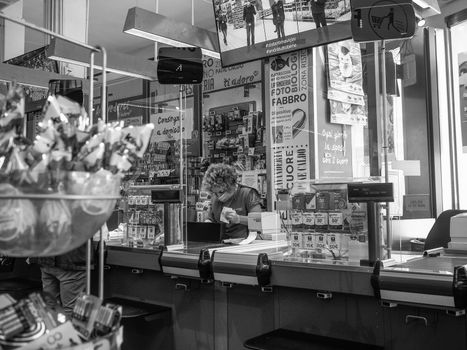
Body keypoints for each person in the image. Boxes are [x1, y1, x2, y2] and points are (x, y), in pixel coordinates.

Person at [202, 163, 262, 239]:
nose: (218, 196)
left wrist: (239, 219)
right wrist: (208, 223)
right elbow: (211, 218)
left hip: (244, 243)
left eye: (221, 192)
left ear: (231, 186)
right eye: (215, 193)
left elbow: (258, 221)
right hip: (221, 243)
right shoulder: (215, 197)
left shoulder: (248, 193)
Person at [29, 243, 88, 317]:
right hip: (71, 260)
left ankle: (56, 327)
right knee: (72, 310)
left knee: (51, 308)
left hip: (45, 256)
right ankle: (69, 328)